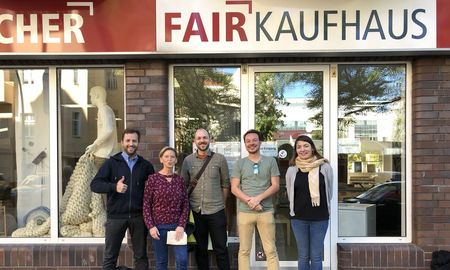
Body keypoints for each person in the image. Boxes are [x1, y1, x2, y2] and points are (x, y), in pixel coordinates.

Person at [90, 128, 155, 270]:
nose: (131, 144)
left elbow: (153, 192)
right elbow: (95, 185)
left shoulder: (146, 166)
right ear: (122, 142)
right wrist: (114, 187)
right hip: (116, 217)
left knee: (141, 257)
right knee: (110, 257)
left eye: (134, 141)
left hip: (138, 217)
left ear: (138, 143)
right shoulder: (111, 163)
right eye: (128, 140)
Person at [180, 128, 231, 270]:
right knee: (200, 250)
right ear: (194, 141)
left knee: (221, 249)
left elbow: (225, 184)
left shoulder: (220, 159)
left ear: (210, 140)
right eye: (199, 138)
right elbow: (183, 185)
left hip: (217, 210)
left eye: (205, 138)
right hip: (196, 211)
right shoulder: (187, 161)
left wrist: (223, 204)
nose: (202, 140)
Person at [231, 129, 280, 270]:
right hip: (245, 213)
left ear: (260, 142)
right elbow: (234, 188)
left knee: (270, 251)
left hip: (265, 212)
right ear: (245, 144)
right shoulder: (239, 164)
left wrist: (258, 199)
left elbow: (275, 185)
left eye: (254, 140)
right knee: (244, 251)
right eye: (248, 141)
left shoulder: (271, 162)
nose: (251, 143)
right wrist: (250, 201)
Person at [285, 135, 333, 270]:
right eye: (299, 147)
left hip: (320, 218)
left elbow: (329, 191)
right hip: (299, 219)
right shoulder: (292, 169)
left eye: (306, 146)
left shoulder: (325, 167)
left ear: (312, 148)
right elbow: (290, 193)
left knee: (316, 256)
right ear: (296, 150)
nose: (302, 149)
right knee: (303, 256)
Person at [143, 146, 189, 270]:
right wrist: (151, 226)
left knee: (182, 260)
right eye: (166, 157)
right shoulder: (153, 179)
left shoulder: (179, 180)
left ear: (175, 160)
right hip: (158, 227)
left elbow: (185, 204)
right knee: (162, 262)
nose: (169, 159)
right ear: (161, 159)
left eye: (172, 157)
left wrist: (181, 225)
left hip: (177, 227)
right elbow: (146, 204)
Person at [85, 86, 119, 169]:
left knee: (99, 181)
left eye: (91, 96)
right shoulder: (107, 109)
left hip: (104, 155)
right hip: (107, 155)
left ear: (96, 95)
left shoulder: (103, 110)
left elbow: (108, 130)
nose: (90, 98)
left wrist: (95, 144)